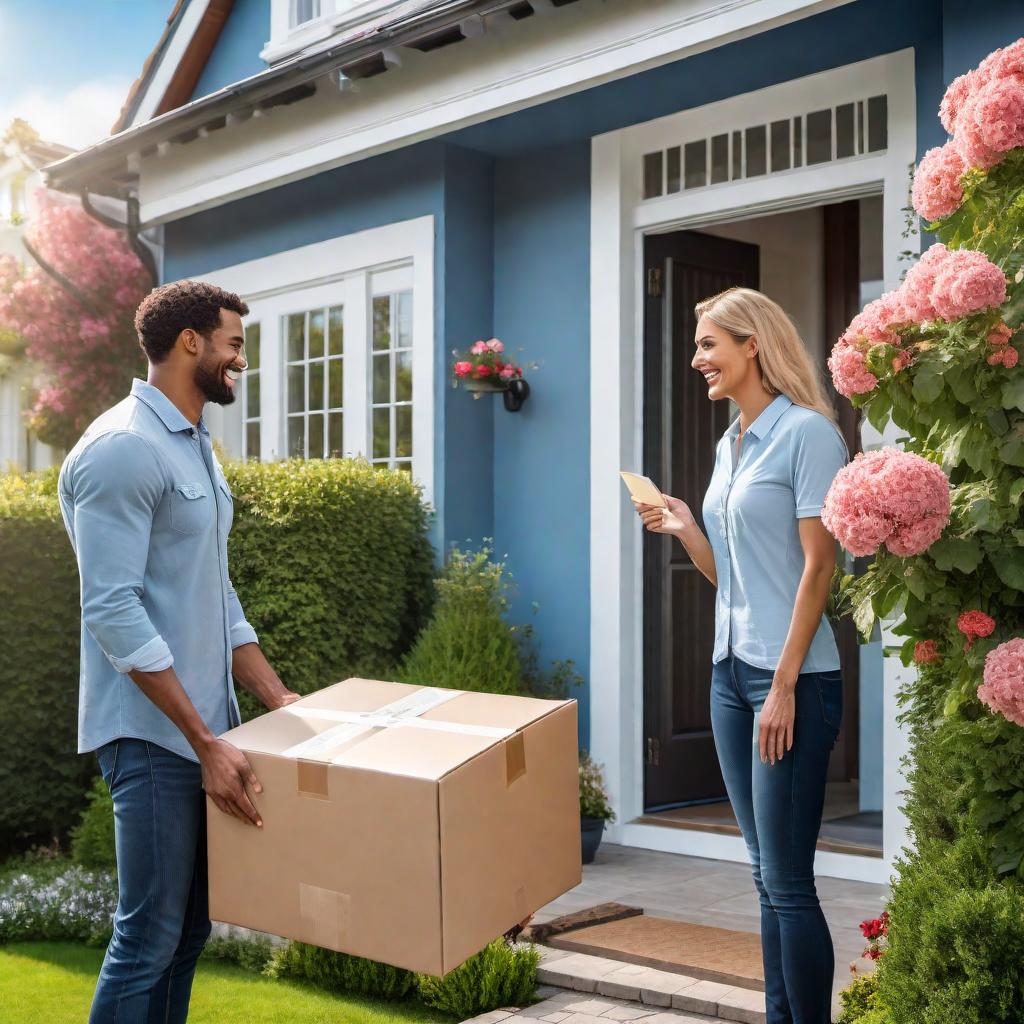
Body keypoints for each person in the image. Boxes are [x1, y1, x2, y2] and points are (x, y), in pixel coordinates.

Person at [58, 280, 301, 1024]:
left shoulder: (195, 448)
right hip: (154, 738)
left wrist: (279, 700)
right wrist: (204, 743)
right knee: (148, 938)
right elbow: (112, 607)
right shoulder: (124, 450)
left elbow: (213, 595)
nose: (240, 361)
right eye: (233, 345)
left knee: (188, 932)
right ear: (189, 341)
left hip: (203, 737)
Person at [634, 286, 848, 1024]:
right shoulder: (732, 443)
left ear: (752, 343)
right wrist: (688, 529)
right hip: (731, 675)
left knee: (789, 880)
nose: (698, 360)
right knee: (764, 875)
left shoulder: (809, 434)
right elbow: (737, 575)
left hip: (793, 677)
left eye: (707, 346)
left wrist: (784, 684)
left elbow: (819, 569)